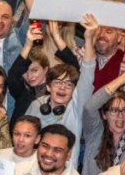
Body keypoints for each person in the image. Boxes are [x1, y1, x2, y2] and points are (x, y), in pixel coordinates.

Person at [26, 13, 98, 141]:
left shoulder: (76, 108)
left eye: (69, 84)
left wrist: (88, 39)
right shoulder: (36, 105)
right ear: (48, 86)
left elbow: (87, 75)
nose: (63, 88)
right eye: (58, 82)